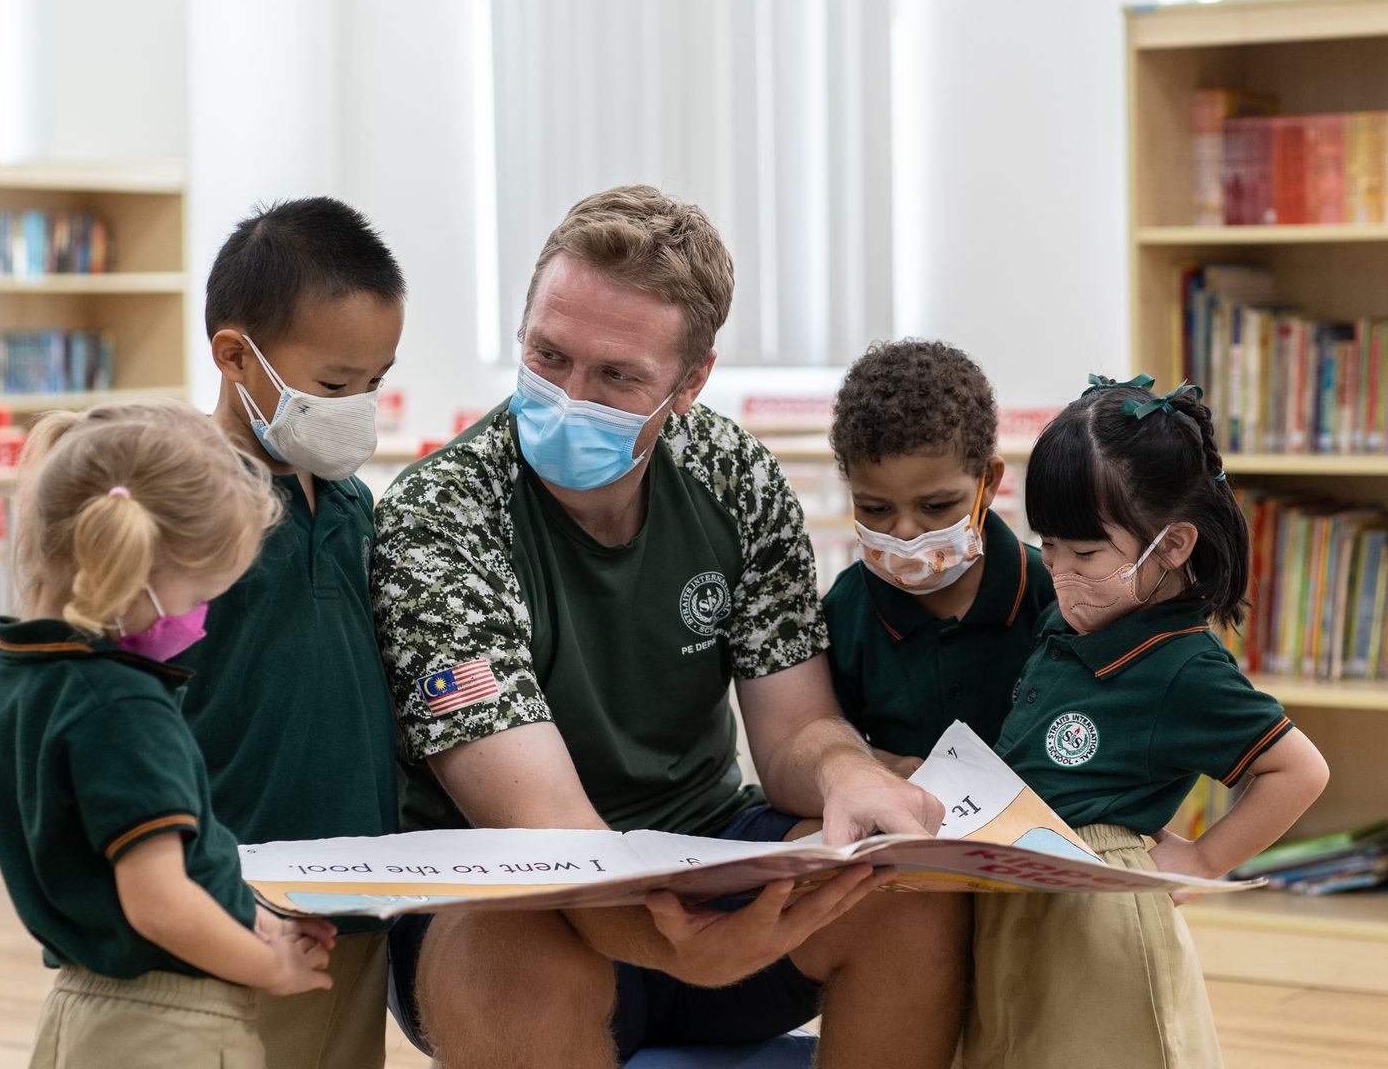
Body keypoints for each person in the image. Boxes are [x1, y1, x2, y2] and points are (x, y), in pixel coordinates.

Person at [371, 185, 969, 1067]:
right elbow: (544, 828)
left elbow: (795, 728)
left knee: (911, 890)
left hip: (704, 850)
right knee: (505, 961)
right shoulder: (439, 520)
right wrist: (671, 941)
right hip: (513, 897)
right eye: (548, 354)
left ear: (689, 383)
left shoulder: (735, 476)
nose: (570, 395)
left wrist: (848, 776)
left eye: (617, 376)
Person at [963, 375, 1331, 1069]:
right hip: (1021, 896)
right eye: (1050, 545)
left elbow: (1299, 770)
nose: (1060, 570)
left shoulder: (1185, 668)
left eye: (1087, 553)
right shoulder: (1072, 613)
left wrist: (1201, 858)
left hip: (1098, 917)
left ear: (1172, 545)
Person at [0, 399, 336, 1069]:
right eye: (198, 597)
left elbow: (114, 867)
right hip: (172, 1028)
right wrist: (270, 968)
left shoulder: (21, 672)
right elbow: (160, 905)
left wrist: (252, 917)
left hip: (81, 1009)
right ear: (133, 568)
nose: (198, 622)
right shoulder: (122, 706)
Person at [181, 197, 407, 1068]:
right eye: (335, 385)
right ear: (236, 357)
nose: (359, 408)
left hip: (354, 905)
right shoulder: (191, 509)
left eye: (375, 383)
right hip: (231, 905)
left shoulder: (351, 503)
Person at [820, 339, 1056, 774]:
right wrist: (888, 768)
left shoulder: (1054, 596)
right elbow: (826, 744)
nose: (905, 532)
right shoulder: (846, 609)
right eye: (875, 509)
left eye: (935, 506)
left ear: (988, 482)